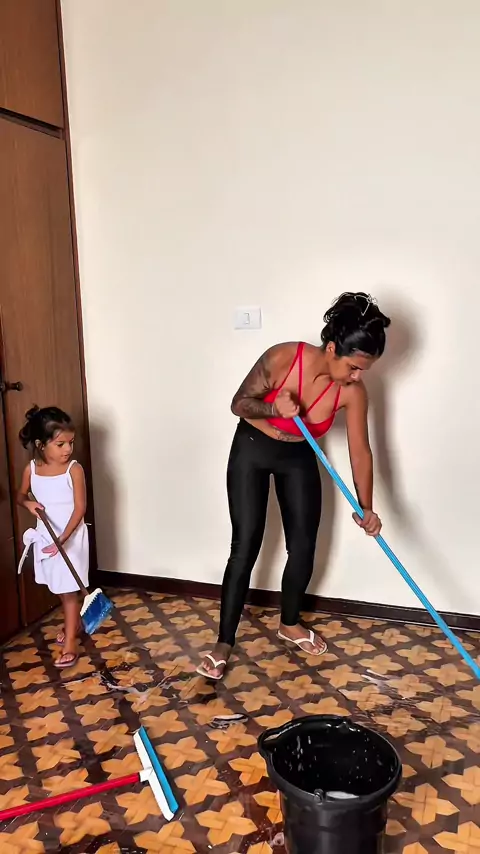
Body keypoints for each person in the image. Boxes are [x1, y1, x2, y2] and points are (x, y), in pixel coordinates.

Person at [197, 292, 391, 680]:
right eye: (354, 367)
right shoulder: (285, 357)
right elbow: (239, 403)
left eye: (363, 370)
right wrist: (273, 408)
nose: (357, 376)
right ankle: (224, 642)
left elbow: (360, 451)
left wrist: (366, 506)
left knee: (303, 545)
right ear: (332, 349)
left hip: (299, 454)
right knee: (245, 545)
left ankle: (289, 624)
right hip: (252, 447)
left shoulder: (352, 393)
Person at [17, 406, 89, 669]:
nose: (68, 449)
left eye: (71, 442)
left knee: (68, 591)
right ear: (41, 444)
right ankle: (75, 622)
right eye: (60, 444)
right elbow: (20, 495)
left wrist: (64, 538)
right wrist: (28, 504)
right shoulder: (31, 470)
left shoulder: (74, 470)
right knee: (58, 587)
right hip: (46, 538)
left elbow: (80, 508)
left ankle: (70, 641)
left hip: (70, 537)